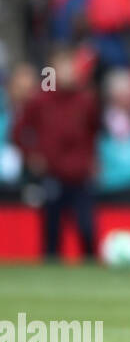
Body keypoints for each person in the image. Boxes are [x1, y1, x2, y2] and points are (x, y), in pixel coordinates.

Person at [13, 48, 99, 261]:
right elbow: (18, 132)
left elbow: (94, 132)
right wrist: (31, 155)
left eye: (70, 66)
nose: (67, 72)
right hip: (53, 175)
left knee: (87, 229)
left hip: (80, 176)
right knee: (52, 233)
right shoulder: (40, 101)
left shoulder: (86, 101)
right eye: (61, 67)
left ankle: (92, 272)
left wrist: (92, 159)